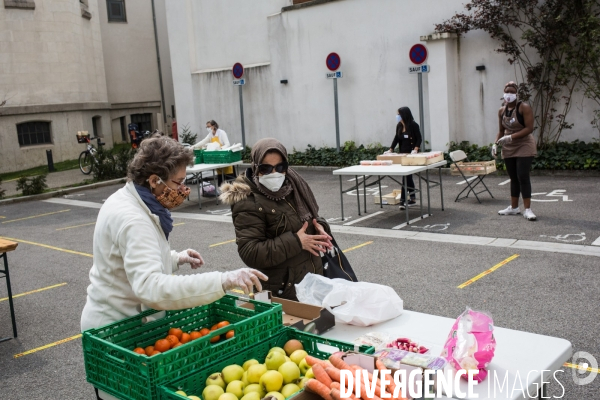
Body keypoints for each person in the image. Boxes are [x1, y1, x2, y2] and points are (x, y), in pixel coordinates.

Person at [81, 136, 267, 334]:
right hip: (115, 328)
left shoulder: (129, 200)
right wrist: (223, 280)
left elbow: (133, 258)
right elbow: (151, 287)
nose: (183, 190)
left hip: (121, 321)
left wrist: (175, 258)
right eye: (178, 182)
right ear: (154, 180)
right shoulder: (134, 219)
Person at [219, 138, 333, 301]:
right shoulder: (247, 201)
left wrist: (319, 226)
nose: (275, 174)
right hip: (281, 294)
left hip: (311, 283)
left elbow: (308, 218)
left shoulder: (294, 186)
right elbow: (250, 252)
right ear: (255, 167)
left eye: (280, 167)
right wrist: (296, 242)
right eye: (266, 168)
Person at [493, 81, 537, 221]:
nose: (509, 94)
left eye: (512, 92)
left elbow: (529, 128)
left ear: (517, 94)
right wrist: (495, 144)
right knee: (513, 177)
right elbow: (500, 131)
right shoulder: (501, 110)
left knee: (522, 175)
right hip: (508, 146)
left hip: (524, 144)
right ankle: (513, 208)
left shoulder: (523, 107)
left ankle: (528, 209)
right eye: (507, 91)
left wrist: (511, 137)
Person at [388, 106, 422, 209]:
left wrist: (416, 149)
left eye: (399, 114)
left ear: (404, 114)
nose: (397, 116)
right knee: (407, 176)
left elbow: (419, 138)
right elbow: (396, 138)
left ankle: (403, 200)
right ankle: (412, 198)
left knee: (406, 177)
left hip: (411, 154)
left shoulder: (413, 125)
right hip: (402, 154)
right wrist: (391, 149)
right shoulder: (399, 126)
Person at [192, 120, 234, 187]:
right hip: (217, 159)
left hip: (225, 157)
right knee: (221, 180)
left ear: (214, 126)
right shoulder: (210, 135)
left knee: (229, 179)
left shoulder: (221, 133)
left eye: (209, 126)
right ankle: (222, 193)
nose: (207, 128)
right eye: (206, 127)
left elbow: (227, 144)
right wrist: (193, 146)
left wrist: (220, 148)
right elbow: (203, 142)